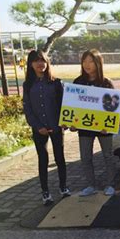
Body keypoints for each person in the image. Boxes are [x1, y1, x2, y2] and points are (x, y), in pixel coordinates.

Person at [23, 50, 70, 205]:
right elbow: (27, 108)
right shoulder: (28, 85)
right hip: (39, 129)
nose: (40, 64)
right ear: (31, 64)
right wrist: (37, 126)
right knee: (43, 159)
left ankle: (63, 187)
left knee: (59, 158)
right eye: (36, 61)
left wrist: (64, 122)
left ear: (47, 62)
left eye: (42, 60)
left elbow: (64, 105)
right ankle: (45, 192)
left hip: (56, 127)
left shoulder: (56, 83)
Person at [72, 49, 116, 197]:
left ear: (98, 63)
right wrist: (72, 122)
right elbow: (72, 105)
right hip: (84, 126)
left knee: (108, 155)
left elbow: (113, 108)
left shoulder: (106, 83)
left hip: (104, 127)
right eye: (84, 61)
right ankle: (91, 185)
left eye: (91, 61)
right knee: (86, 157)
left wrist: (108, 125)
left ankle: (110, 184)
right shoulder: (78, 82)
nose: (87, 65)